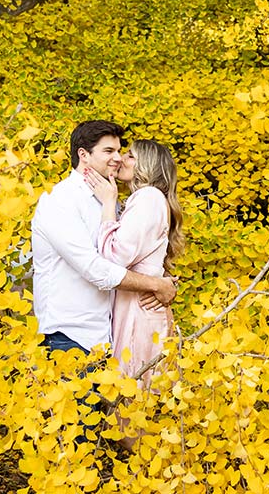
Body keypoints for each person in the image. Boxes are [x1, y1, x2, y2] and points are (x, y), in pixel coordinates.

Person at [30, 121, 176, 359]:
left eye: (120, 151)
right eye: (109, 151)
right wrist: (156, 285)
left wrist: (160, 280)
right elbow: (94, 268)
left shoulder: (109, 199)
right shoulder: (60, 200)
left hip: (106, 337)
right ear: (83, 155)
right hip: (70, 337)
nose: (118, 158)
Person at [84, 139, 183, 391]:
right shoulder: (148, 200)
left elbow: (114, 257)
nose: (120, 159)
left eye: (130, 156)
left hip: (139, 312)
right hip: (140, 308)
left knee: (133, 395)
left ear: (146, 165)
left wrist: (108, 202)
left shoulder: (148, 197)